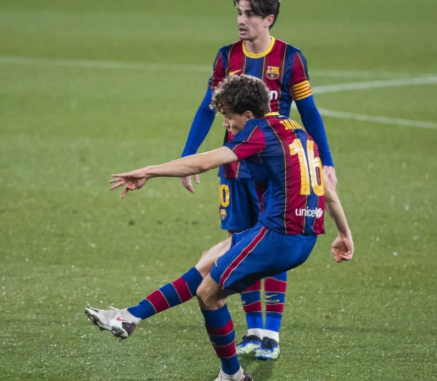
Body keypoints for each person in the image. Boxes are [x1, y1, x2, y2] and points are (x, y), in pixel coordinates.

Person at [86, 75, 353, 381]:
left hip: (280, 236)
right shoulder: (297, 132)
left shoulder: (259, 132)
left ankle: (232, 376)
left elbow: (203, 163)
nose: (226, 124)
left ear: (248, 116)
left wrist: (148, 171)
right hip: (296, 234)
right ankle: (130, 316)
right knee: (209, 259)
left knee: (208, 293)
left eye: (228, 117)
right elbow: (327, 190)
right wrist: (344, 233)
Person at [176, 0, 337, 360]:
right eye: (238, 13)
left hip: (277, 175)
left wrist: (326, 161)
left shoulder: (290, 59)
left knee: (272, 243)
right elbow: (207, 108)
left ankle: (271, 334)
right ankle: (252, 331)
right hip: (234, 169)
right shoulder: (225, 57)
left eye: (249, 14)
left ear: (269, 19)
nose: (241, 20)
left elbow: (309, 110)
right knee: (239, 244)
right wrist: (189, 156)